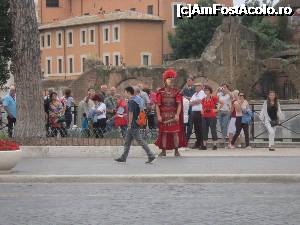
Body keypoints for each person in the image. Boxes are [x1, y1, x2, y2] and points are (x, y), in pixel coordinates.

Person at [114, 86, 156, 163]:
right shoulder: (137, 100)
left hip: (133, 124)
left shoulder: (131, 101)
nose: (124, 94)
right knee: (127, 141)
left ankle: (151, 155)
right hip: (136, 122)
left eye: (125, 92)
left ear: (128, 92)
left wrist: (129, 123)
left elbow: (131, 113)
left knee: (140, 140)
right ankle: (124, 157)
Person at [155, 69, 187, 157]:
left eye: (172, 79)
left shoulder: (176, 92)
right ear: (165, 80)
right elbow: (157, 105)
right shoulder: (160, 92)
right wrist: (158, 115)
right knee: (164, 133)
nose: (171, 80)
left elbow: (179, 104)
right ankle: (163, 150)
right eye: (169, 78)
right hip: (164, 116)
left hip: (173, 116)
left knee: (175, 133)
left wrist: (177, 115)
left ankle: (176, 150)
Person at [201, 85, 218, 150]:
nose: (206, 91)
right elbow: (203, 107)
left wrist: (217, 109)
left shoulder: (213, 98)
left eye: (207, 90)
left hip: (212, 116)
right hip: (204, 116)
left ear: (210, 91)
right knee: (204, 130)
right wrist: (202, 110)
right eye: (205, 90)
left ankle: (214, 145)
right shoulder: (203, 99)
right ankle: (204, 145)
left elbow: (221, 103)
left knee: (213, 130)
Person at [189, 82, 206, 149]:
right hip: (194, 112)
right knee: (196, 129)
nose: (196, 88)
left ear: (200, 87)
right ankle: (198, 142)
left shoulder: (202, 93)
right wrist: (195, 102)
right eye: (195, 87)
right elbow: (190, 103)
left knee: (201, 128)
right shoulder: (194, 94)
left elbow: (200, 101)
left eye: (197, 86)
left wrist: (194, 102)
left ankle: (202, 143)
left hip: (200, 112)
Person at [181, 76, 195, 141]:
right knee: (184, 123)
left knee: (190, 124)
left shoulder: (195, 89)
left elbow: (194, 98)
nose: (188, 82)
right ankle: (183, 138)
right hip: (185, 108)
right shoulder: (184, 89)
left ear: (192, 81)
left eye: (189, 80)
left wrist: (187, 98)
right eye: (187, 81)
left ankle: (187, 138)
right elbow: (181, 96)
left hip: (192, 108)